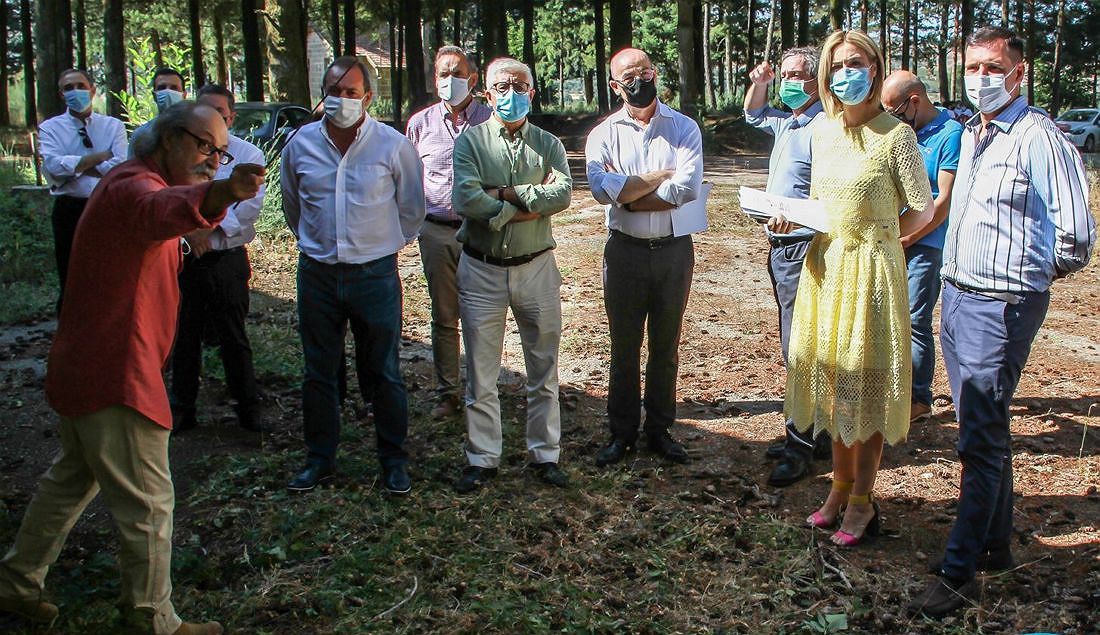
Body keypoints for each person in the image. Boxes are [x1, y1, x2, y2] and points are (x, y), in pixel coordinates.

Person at [0, 101, 263, 635]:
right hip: (116, 369)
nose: (213, 158)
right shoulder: (132, 187)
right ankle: (151, 617)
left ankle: (17, 581)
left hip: (90, 361)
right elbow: (159, 212)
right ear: (168, 139)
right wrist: (224, 193)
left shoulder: (132, 180)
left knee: (72, 479)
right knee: (149, 500)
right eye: (203, 145)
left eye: (220, 151)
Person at [908, 27, 1095, 618]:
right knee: (981, 427)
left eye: (993, 67)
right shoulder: (972, 133)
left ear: (1020, 73)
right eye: (972, 67)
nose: (981, 78)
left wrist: (1025, 279)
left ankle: (958, 572)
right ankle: (996, 543)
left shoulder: (1039, 138)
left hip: (1001, 304)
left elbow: (1077, 235)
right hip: (958, 295)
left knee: (979, 439)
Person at [772, 30, 933, 547]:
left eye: (857, 63)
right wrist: (790, 222)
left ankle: (863, 501)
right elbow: (818, 203)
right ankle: (838, 490)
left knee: (863, 390)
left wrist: (883, 238)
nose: (846, 73)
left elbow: (923, 207)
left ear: (875, 68)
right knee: (835, 388)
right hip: (825, 267)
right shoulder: (821, 132)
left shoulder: (897, 136)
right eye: (837, 64)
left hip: (870, 273)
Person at [281, 56, 425, 494]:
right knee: (319, 371)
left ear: (367, 97)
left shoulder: (391, 145)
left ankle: (392, 460)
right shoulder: (299, 145)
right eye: (332, 90)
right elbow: (293, 207)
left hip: (374, 275)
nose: (340, 99)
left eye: (349, 92)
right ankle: (320, 459)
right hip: (318, 275)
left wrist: (378, 247)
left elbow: (411, 208)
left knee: (383, 370)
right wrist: (319, 244)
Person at [451, 57, 573, 493]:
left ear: (533, 93)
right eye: (501, 87)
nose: (511, 93)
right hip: (481, 271)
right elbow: (466, 199)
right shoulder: (470, 144)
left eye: (520, 85)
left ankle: (545, 454)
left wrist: (501, 198)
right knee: (482, 370)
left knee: (544, 367)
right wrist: (522, 207)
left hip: (537, 267)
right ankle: (482, 458)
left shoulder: (549, 144)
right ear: (486, 94)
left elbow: (562, 194)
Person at [585, 48, 704, 468]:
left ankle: (659, 428)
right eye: (629, 76)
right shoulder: (602, 134)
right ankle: (621, 433)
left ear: (656, 74)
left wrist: (630, 196)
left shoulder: (684, 127)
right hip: (624, 254)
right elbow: (602, 188)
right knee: (624, 345)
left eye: (645, 71)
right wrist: (655, 179)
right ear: (615, 85)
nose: (640, 80)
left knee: (665, 345)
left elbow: (686, 189)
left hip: (673, 252)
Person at [742, 47, 832, 486]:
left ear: (818, 81)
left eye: (800, 75)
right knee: (799, 345)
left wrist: (797, 216)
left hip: (804, 247)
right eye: (786, 75)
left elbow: (830, 196)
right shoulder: (788, 121)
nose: (790, 82)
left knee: (799, 348)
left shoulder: (825, 126)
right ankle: (818, 434)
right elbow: (753, 114)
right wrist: (760, 80)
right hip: (780, 245)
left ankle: (802, 446)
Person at [169, 84, 267, 433]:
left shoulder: (248, 153)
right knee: (184, 334)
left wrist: (204, 227)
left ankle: (247, 407)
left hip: (225, 257)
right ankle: (182, 408)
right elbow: (169, 196)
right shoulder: (180, 154)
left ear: (231, 117)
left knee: (233, 335)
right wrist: (189, 232)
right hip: (184, 257)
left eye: (220, 116)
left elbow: (248, 207)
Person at [406, 46, 492, 419]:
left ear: (473, 79)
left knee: (482, 315)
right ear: (434, 79)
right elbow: (409, 179)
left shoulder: (491, 119)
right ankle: (447, 392)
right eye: (443, 74)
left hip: (482, 231)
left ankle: (480, 390)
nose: (450, 80)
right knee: (444, 316)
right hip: (437, 231)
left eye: (457, 73)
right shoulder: (419, 124)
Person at [881, 71, 963, 426]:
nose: (890, 117)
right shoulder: (901, 130)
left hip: (925, 242)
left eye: (894, 110)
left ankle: (918, 398)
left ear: (914, 101)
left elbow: (943, 200)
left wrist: (910, 237)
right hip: (891, 236)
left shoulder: (950, 134)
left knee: (915, 320)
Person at [38, 68, 128, 310]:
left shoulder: (113, 126)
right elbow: (52, 166)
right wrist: (101, 157)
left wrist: (75, 166)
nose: (75, 91)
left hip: (106, 206)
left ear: (92, 90)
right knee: (71, 271)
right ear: (61, 94)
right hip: (70, 208)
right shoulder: (50, 128)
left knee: (109, 269)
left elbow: (119, 168)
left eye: (80, 85)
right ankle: (71, 332)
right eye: (68, 87)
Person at [130, 67, 189, 154]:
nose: (168, 92)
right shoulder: (141, 135)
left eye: (174, 88)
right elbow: (132, 167)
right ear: (154, 95)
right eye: (162, 88)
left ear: (184, 95)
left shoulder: (197, 131)